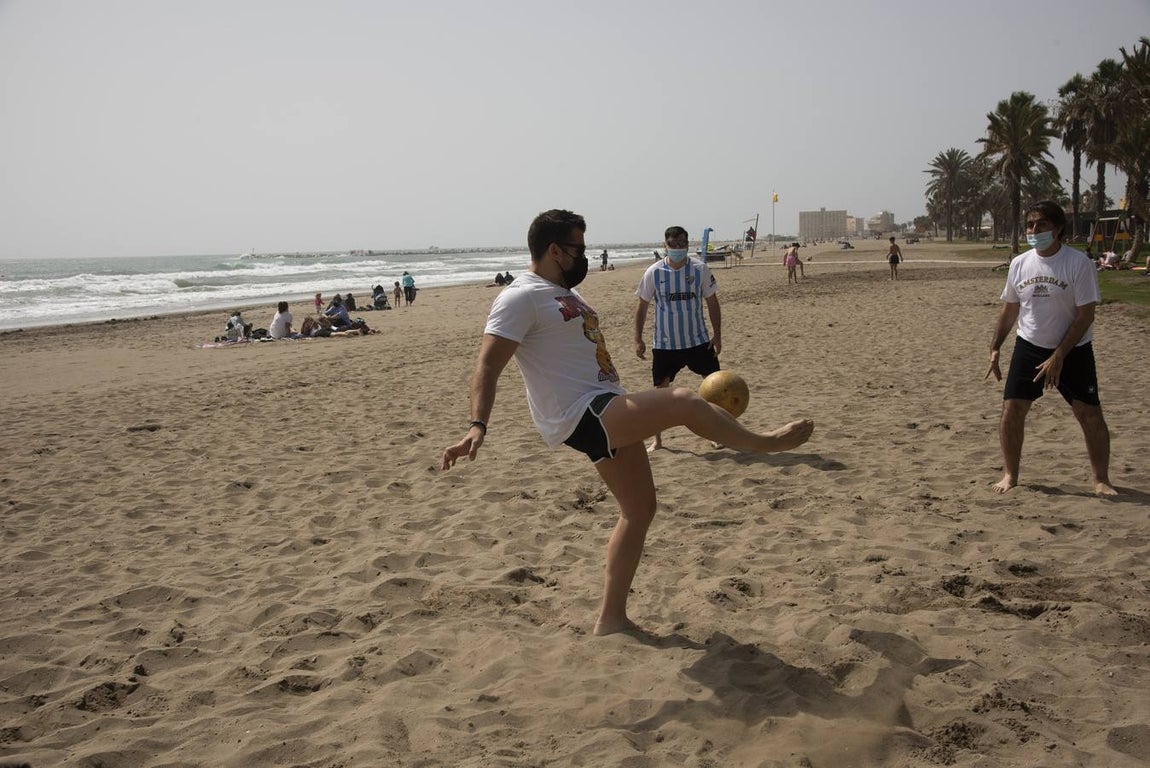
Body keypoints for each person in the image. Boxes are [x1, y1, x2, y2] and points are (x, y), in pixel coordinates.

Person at [441, 209, 815, 636]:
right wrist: (477, 425)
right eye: (579, 248)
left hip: (605, 405)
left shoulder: (562, 292)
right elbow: (487, 366)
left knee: (639, 511)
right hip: (579, 412)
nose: (585, 256)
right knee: (683, 402)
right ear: (554, 250)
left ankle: (611, 619)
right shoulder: (519, 296)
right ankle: (764, 443)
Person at [984, 200, 1116, 496]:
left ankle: (1101, 479)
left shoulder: (1078, 263)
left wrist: (1059, 355)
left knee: (1088, 413)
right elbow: (1010, 310)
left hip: (1074, 349)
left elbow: (1086, 316)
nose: (1034, 230)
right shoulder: (1020, 263)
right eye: (1030, 225)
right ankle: (1010, 475)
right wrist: (995, 347)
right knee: (1012, 409)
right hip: (1029, 345)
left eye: (1041, 225)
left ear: (1057, 229)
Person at [634, 225, 722, 452]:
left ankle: (717, 434)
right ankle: (658, 440)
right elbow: (642, 307)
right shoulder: (654, 272)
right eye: (673, 245)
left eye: (682, 244)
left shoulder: (700, 269)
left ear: (687, 244)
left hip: (698, 341)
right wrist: (638, 338)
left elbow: (712, 302)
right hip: (665, 345)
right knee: (659, 395)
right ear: (665, 246)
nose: (678, 248)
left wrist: (717, 334)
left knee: (715, 388)